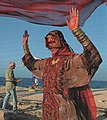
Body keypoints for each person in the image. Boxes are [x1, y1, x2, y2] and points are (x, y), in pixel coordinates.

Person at [22, 8, 102, 120]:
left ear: (61, 42)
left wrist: (77, 31)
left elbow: (93, 57)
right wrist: (25, 46)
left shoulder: (70, 61)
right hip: (48, 110)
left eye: (53, 41)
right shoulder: (46, 63)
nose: (50, 46)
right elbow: (31, 63)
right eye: (48, 43)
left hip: (65, 112)